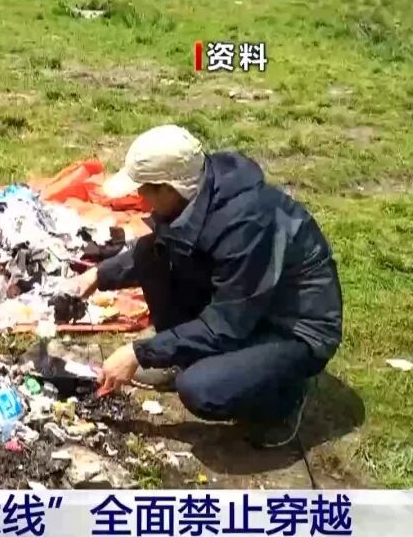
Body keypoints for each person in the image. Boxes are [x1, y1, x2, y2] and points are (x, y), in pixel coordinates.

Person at [65, 125, 343, 448]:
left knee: (200, 389)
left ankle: (283, 399)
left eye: (144, 190)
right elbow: (168, 246)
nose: (139, 198)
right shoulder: (197, 190)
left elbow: (225, 325)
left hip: (293, 328)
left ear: (169, 189)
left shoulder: (245, 224)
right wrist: (98, 275)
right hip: (248, 306)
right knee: (149, 255)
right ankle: (182, 359)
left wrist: (138, 353)